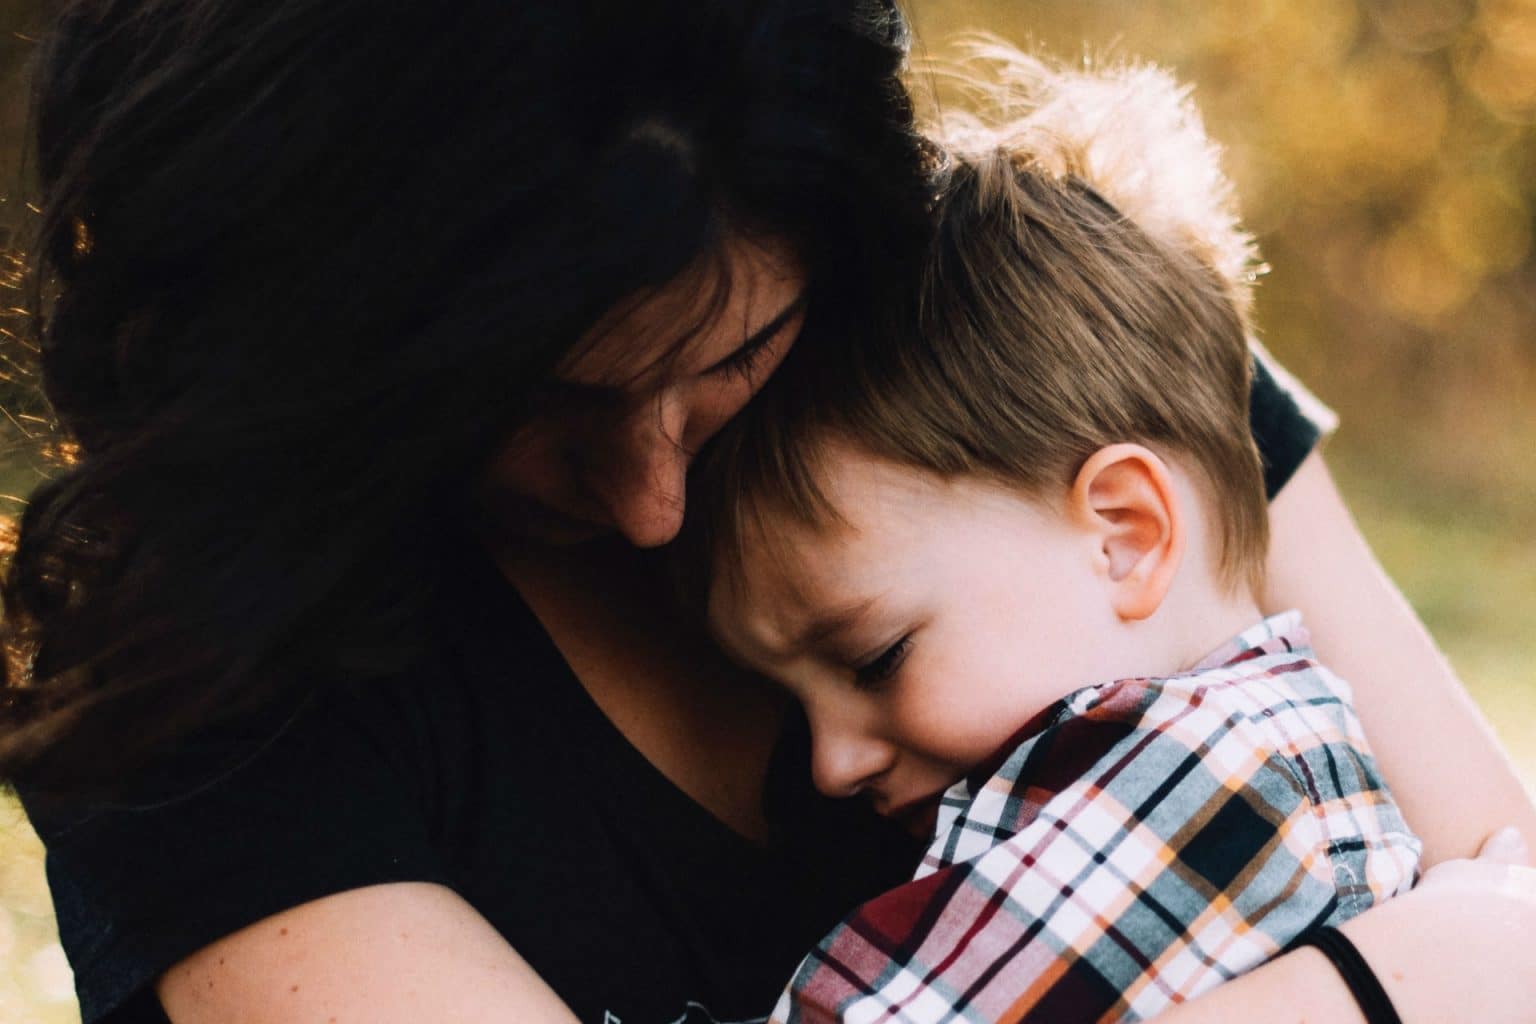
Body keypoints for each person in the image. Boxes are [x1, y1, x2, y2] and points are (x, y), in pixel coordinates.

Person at [0, 3, 1530, 1023]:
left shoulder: (1026, 352)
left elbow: (1514, 891)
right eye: (534, 411)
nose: (658, 504)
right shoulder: (210, 687)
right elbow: (1483, 947)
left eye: (729, 359)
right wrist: (1390, 981)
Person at [688, 57, 1423, 1022]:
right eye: (793, 699)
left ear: (1124, 534)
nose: (830, 765)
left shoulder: (1207, 783)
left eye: (874, 659)